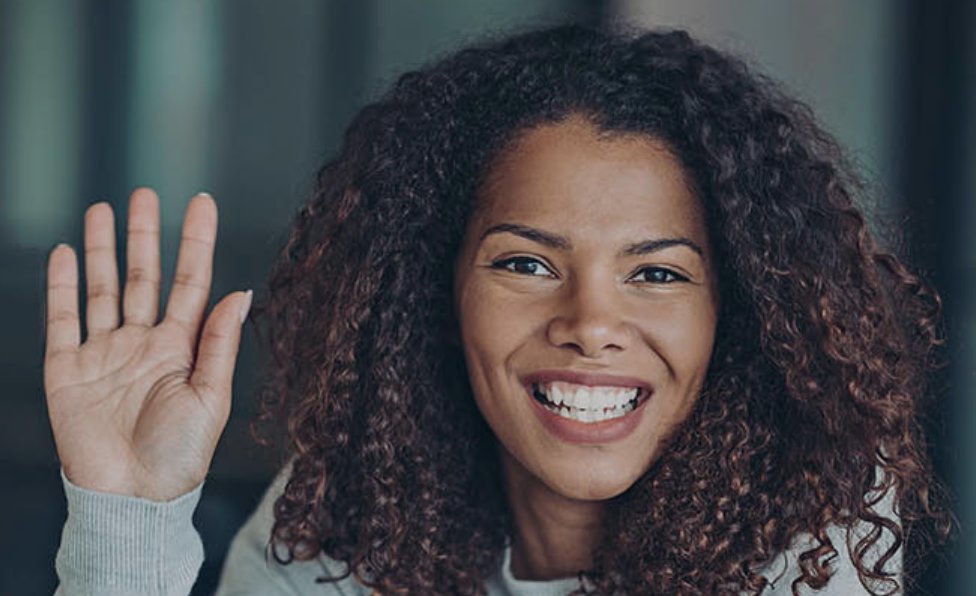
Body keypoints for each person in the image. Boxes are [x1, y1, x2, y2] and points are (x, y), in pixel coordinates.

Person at [45, 24, 951, 595]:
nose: (591, 322)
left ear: (739, 315)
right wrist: (128, 519)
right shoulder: (339, 519)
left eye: (659, 274)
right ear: (435, 291)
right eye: (525, 262)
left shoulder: (804, 526)